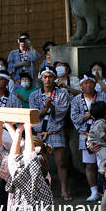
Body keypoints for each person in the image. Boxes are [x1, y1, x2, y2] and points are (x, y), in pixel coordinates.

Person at [29, 67, 71, 200]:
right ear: (41, 78)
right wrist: (45, 108)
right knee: (42, 163)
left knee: (61, 161)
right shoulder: (34, 95)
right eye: (45, 77)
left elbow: (62, 113)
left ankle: (64, 190)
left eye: (50, 77)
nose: (47, 80)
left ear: (55, 78)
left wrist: (52, 107)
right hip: (41, 132)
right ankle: (45, 190)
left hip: (56, 130)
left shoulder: (62, 93)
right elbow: (33, 116)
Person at [70, 74, 106, 202]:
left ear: (95, 84)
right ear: (81, 86)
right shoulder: (76, 99)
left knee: (104, 164)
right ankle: (93, 191)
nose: (88, 85)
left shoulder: (103, 97)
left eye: (91, 82)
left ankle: (105, 190)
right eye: (85, 83)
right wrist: (91, 114)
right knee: (90, 165)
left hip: (103, 137)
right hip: (85, 136)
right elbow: (75, 118)